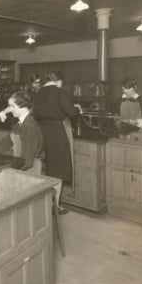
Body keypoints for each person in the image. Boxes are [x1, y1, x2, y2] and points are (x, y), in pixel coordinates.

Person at [32, 71, 81, 214]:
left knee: (44, 168)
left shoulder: (38, 93)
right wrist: (77, 108)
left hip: (40, 132)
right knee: (57, 170)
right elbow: (71, 113)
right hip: (56, 133)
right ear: (58, 81)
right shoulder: (60, 92)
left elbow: (34, 113)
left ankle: (43, 205)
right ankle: (55, 206)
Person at [6, 91, 43, 173]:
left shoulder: (29, 127)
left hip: (30, 172)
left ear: (23, 106)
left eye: (12, 106)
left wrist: (8, 170)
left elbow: (27, 161)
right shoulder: (18, 125)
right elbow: (4, 144)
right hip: (21, 168)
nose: (10, 109)